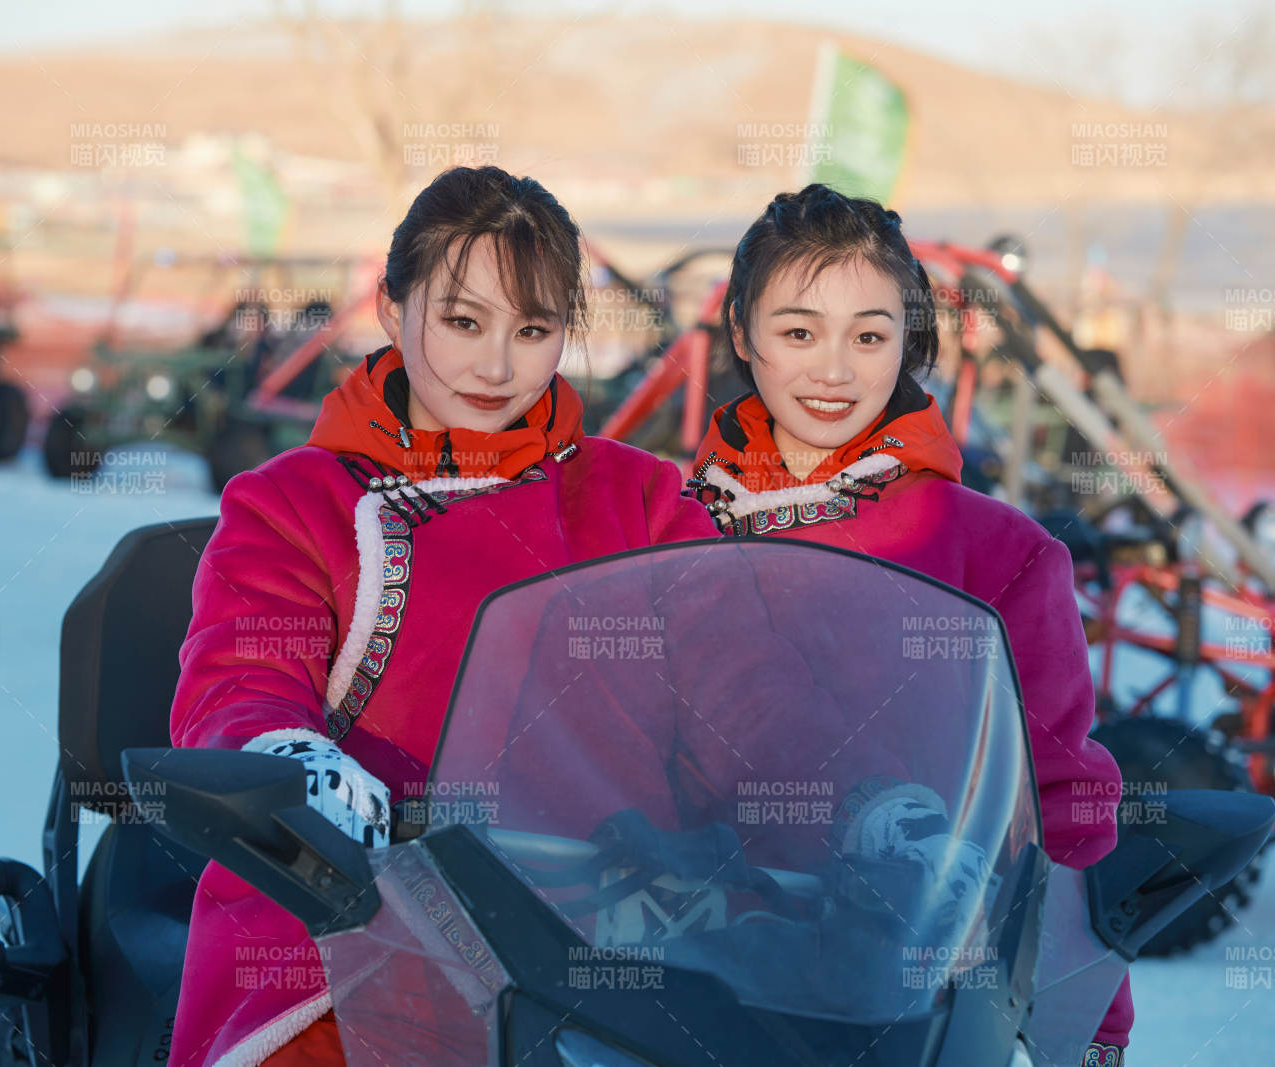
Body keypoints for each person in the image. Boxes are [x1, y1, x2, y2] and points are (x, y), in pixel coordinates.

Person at [167, 165, 718, 1067]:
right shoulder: (295, 502)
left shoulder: (645, 500)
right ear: (393, 308)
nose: (497, 366)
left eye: (533, 330)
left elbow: (735, 682)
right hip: (348, 920)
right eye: (463, 321)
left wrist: (836, 789)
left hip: (616, 927)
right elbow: (241, 676)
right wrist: (288, 757)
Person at [683, 185, 1133, 1065]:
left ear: (907, 342)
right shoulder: (670, 526)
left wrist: (1088, 1022)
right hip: (691, 978)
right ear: (743, 334)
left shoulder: (997, 553)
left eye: (870, 335)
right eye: (799, 331)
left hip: (917, 994)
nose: (834, 370)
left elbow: (1062, 802)